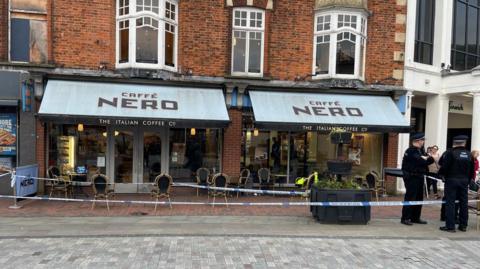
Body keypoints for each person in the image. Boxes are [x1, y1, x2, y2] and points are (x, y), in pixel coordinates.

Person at [438, 135, 475, 232]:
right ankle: (463, 225)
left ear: (454, 143)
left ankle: (450, 226)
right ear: (464, 143)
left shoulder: (451, 153)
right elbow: (472, 170)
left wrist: (441, 174)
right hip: (464, 181)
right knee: (464, 203)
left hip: (452, 180)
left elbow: (444, 167)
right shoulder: (469, 154)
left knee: (450, 202)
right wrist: (469, 180)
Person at [400, 133, 434, 226]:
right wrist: (426, 158)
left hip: (419, 176)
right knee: (411, 197)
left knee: (419, 197)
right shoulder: (411, 151)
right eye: (422, 140)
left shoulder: (420, 151)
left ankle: (415, 217)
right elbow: (421, 161)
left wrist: (428, 157)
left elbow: (429, 161)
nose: (423, 142)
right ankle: (405, 218)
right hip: (411, 177)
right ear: (418, 141)